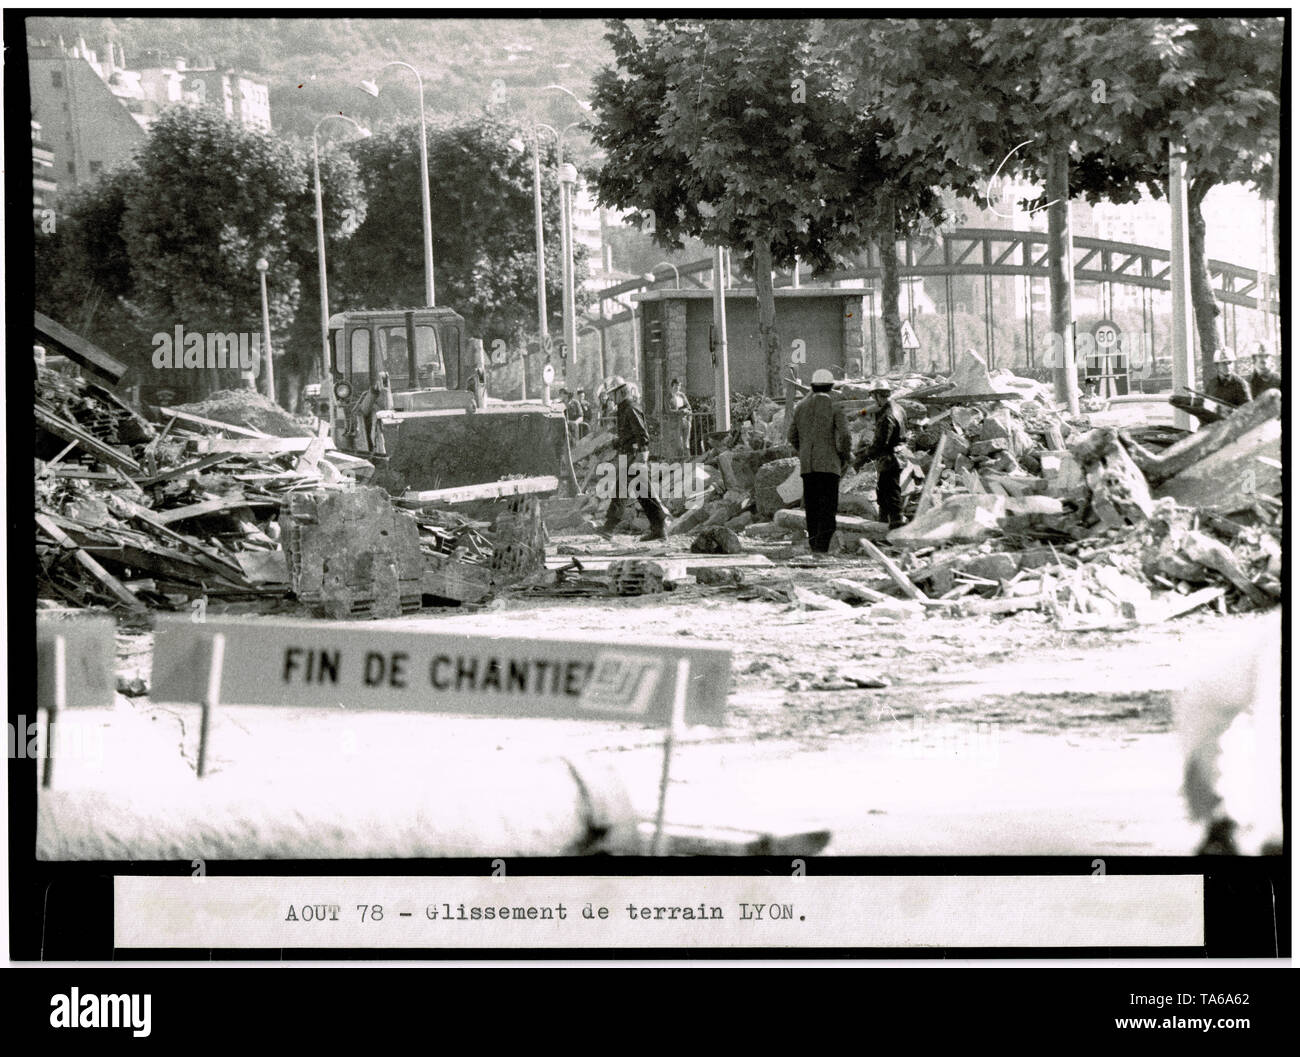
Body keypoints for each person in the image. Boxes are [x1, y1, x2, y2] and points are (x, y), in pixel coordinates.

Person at [597, 376, 672, 542]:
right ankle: (659, 527)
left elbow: (641, 432)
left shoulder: (630, 407)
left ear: (620, 392)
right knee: (643, 491)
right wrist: (615, 443)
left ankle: (609, 527)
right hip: (629, 452)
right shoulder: (624, 409)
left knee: (622, 488)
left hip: (634, 454)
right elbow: (629, 433)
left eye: (612, 394)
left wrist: (643, 452)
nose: (610, 398)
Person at [787, 368, 852, 554]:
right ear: (831, 387)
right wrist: (844, 455)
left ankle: (815, 545)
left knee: (812, 507)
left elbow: (791, 435)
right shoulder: (835, 406)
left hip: (808, 465)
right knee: (828, 507)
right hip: (830, 465)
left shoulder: (800, 407)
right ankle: (824, 547)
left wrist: (804, 450)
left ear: (813, 387)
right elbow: (846, 435)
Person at [855, 379, 909, 529]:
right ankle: (883, 528)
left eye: (874, 396)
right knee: (886, 494)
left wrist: (862, 458)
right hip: (899, 455)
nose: (873, 399)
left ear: (878, 395)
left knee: (890, 496)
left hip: (890, 459)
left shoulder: (886, 416)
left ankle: (895, 529)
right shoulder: (899, 408)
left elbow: (880, 445)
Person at [1170, 347, 1251, 424]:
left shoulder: (1241, 384)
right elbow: (1205, 408)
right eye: (1223, 363)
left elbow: (1248, 412)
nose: (1227, 366)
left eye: (1229, 363)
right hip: (1212, 426)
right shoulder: (1212, 384)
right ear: (1217, 365)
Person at [667, 377, 692, 457]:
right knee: (679, 444)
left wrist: (686, 412)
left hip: (685, 420)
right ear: (672, 386)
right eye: (676, 386)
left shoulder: (682, 395)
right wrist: (679, 412)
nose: (677, 388)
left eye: (679, 386)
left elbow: (689, 407)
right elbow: (668, 410)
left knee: (686, 443)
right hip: (676, 421)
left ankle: (688, 461)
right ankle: (680, 461)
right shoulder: (668, 397)